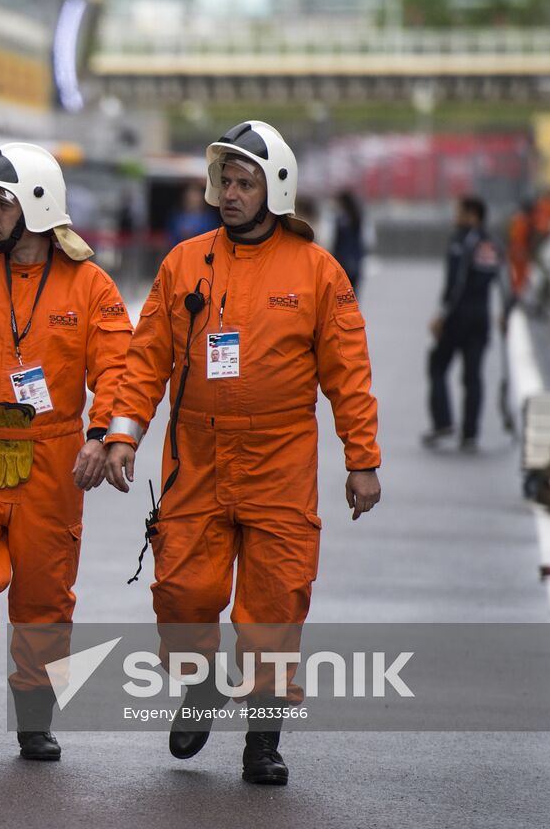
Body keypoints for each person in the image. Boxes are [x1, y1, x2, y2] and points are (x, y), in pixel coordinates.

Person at [103, 121, 382, 787]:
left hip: (280, 457)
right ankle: (197, 688)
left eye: (243, 182)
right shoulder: (184, 263)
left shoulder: (317, 271)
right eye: (224, 181)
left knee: (276, 598)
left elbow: (348, 370)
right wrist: (122, 431)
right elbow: (145, 360)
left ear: (274, 189)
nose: (229, 193)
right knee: (182, 589)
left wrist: (362, 458)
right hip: (196, 455)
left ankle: (263, 737)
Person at [0, 142, 132, 763]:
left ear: (36, 205)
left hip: (54, 459)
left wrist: (100, 436)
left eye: (0, 201)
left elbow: (119, 369)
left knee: (45, 592)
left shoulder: (91, 286)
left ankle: (35, 718)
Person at [423, 196, 501, 452]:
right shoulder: (491, 243)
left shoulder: (463, 242)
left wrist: (441, 315)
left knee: (437, 364)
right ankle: (470, 433)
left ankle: (443, 421)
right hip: (481, 316)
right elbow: (502, 279)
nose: (455, 215)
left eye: (459, 211)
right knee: (473, 375)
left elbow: (457, 284)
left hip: (459, 317)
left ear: (472, 214)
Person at [330, 190, 365, 291]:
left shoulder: (340, 219)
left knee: (342, 292)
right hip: (355, 259)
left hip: (342, 259)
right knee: (354, 292)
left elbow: (336, 241)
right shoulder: (357, 216)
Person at [167, 179, 218, 245]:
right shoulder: (176, 216)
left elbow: (213, 237)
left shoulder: (209, 218)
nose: (193, 197)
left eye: (196, 193)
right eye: (190, 193)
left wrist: (194, 234)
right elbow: (170, 236)